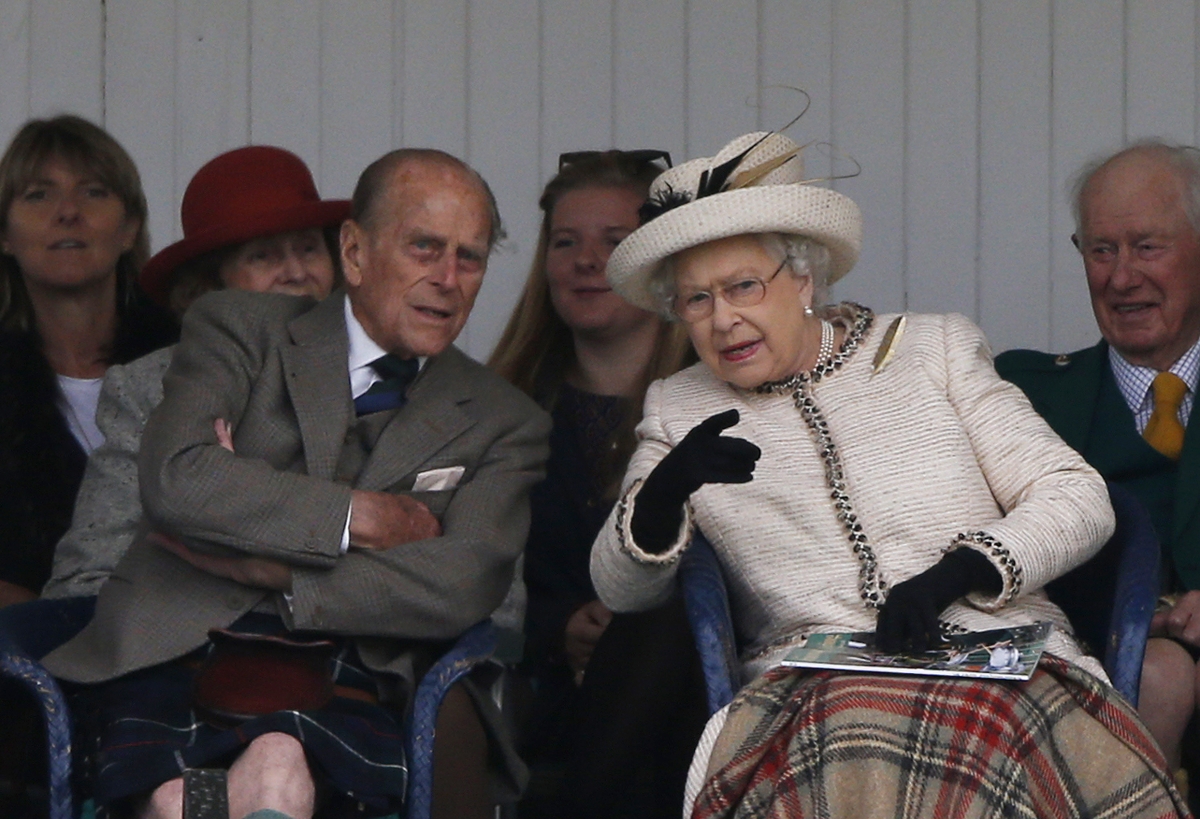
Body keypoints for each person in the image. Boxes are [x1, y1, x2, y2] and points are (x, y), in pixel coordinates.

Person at [590, 131, 1187, 818]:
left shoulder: (932, 349)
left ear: (804, 276)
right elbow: (619, 587)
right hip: (813, 695)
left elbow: (1078, 497)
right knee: (853, 732)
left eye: (743, 286)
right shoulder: (680, 405)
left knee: (963, 733)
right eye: (697, 301)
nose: (724, 320)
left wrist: (960, 572)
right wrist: (664, 489)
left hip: (1001, 672)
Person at [41, 148, 550, 819]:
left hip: (358, 666)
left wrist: (266, 564)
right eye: (424, 247)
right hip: (176, 645)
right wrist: (362, 517)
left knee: (276, 767)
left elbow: (464, 580)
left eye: (470, 257)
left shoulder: (506, 418)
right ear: (357, 252)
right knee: (194, 791)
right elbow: (178, 477)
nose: (448, 279)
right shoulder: (240, 328)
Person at [489, 150, 704, 817]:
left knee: (659, 620)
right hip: (541, 689)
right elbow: (468, 566)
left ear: (661, 266)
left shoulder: (716, 403)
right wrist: (557, 627)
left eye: (615, 242)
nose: (587, 260)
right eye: (566, 241)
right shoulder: (497, 408)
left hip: (689, 692)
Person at [42, 144, 346, 601]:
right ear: (210, 283)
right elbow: (84, 578)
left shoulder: (379, 372)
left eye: (308, 248)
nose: (296, 272)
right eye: (263, 257)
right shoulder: (148, 389)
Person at [996, 141, 1200, 779]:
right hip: (1078, 685)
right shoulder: (1019, 395)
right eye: (1101, 250)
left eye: (1147, 246)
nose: (1120, 276)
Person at [0, 115, 176, 609]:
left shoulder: (197, 360)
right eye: (38, 195)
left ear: (130, 228)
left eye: (94, 192)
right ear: (4, 235)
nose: (68, 213)